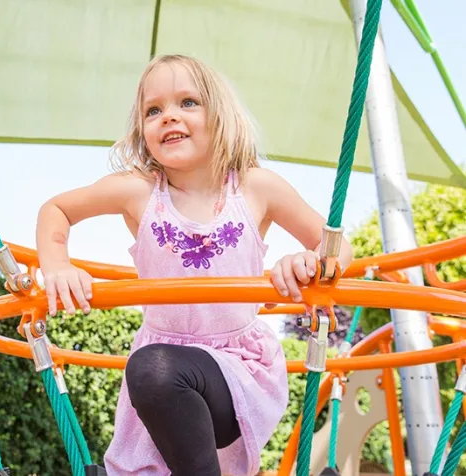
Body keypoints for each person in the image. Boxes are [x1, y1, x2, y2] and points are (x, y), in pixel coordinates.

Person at [36, 54, 353, 476]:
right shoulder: (140, 191)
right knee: (153, 370)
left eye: (187, 102)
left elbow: (335, 246)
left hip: (238, 367)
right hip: (163, 373)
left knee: (154, 368)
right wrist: (57, 265)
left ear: (220, 116)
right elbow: (57, 208)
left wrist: (309, 261)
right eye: (154, 110)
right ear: (141, 130)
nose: (169, 116)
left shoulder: (256, 187)